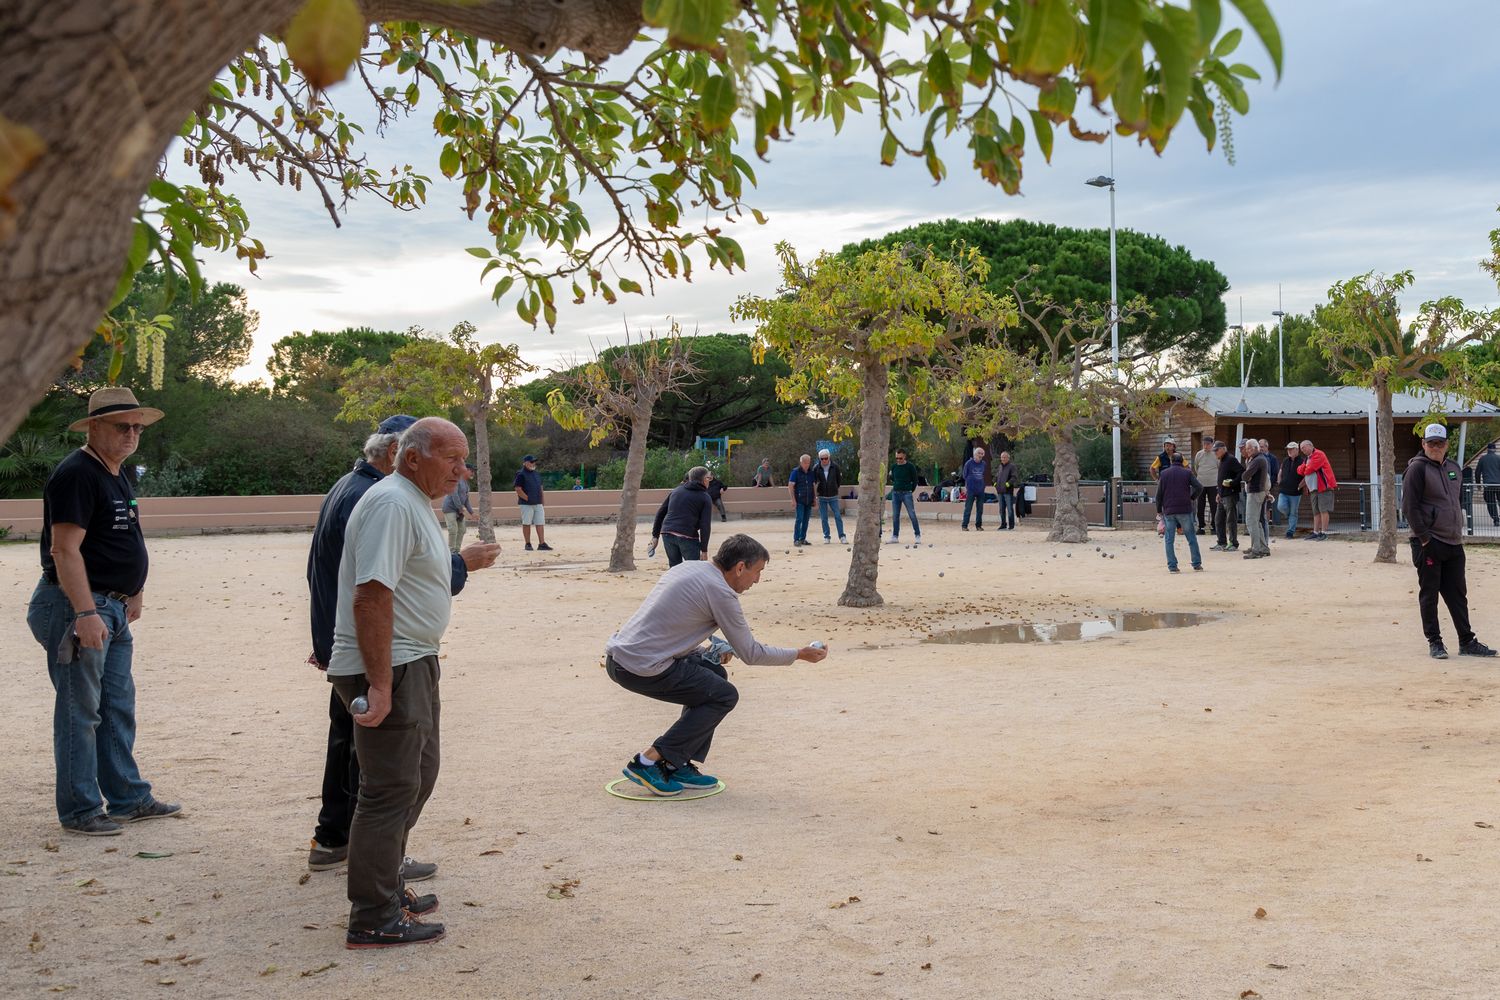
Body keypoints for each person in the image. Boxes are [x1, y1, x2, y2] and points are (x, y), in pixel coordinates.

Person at [304, 415, 499, 875]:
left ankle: (363, 858)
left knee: (398, 774)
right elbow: (371, 591)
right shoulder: (387, 501)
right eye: (452, 459)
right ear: (406, 455)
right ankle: (374, 904)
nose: (462, 471)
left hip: (394, 656)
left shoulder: (378, 493)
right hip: (387, 658)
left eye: (464, 460)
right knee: (387, 785)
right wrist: (378, 678)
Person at [26, 387, 181, 837]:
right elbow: (64, 549)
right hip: (79, 607)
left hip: (110, 605)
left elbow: (122, 538)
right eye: (122, 426)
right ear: (94, 427)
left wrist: (134, 590)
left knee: (116, 707)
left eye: (137, 426)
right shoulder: (76, 474)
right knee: (80, 711)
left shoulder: (115, 471)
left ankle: (128, 798)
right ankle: (79, 810)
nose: (132, 434)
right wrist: (85, 612)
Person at [603, 534, 830, 795]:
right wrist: (798, 654)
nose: (757, 580)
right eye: (757, 572)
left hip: (622, 657)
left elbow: (665, 625)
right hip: (639, 668)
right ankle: (647, 762)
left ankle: (676, 762)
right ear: (740, 567)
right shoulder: (722, 593)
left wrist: (704, 651)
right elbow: (752, 653)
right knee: (724, 696)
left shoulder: (690, 568)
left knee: (714, 673)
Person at [1401, 424, 1495, 660]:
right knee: (1430, 594)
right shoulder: (1416, 469)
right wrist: (1424, 538)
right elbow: (1409, 508)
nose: (1435, 447)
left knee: (1457, 594)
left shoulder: (1454, 467)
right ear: (1423, 444)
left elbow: (1455, 500)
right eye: (1431, 443)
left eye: (1439, 443)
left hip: (1454, 541)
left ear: (1446, 445)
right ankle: (1435, 642)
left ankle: (1467, 641)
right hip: (1428, 542)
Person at [650, 466, 714, 566]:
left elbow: (660, 513)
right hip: (687, 536)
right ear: (704, 479)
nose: (709, 481)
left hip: (667, 534)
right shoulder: (705, 497)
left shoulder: (676, 491)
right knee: (694, 569)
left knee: (675, 568)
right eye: (708, 478)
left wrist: (655, 536)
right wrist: (704, 550)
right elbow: (705, 525)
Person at [1155, 454, 1203, 573]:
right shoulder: (1187, 473)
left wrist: (1159, 510)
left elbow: (1159, 494)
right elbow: (1199, 487)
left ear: (1171, 461)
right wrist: (1192, 498)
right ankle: (1196, 564)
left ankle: (1173, 566)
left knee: (1169, 539)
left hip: (1169, 510)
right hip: (1185, 509)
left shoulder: (1164, 474)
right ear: (1182, 461)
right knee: (1191, 537)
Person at [1296, 439, 1338, 540]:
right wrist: (1306, 467)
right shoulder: (1307, 458)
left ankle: (1323, 532)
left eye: (1303, 448)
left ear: (1310, 446)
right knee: (1316, 511)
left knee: (1323, 510)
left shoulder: (1319, 454)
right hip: (1313, 489)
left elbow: (1309, 469)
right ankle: (1315, 532)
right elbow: (1299, 470)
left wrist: (1305, 467)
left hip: (1323, 488)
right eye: (1301, 449)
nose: (1302, 450)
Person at [1240, 440, 1271, 559]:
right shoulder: (1260, 458)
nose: (1247, 451)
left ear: (1254, 448)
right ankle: (1263, 548)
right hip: (1259, 492)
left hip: (1255, 492)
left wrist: (1247, 476)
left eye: (1248, 449)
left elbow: (1245, 476)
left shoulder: (1257, 460)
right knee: (1256, 522)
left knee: (1251, 521)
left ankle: (1256, 550)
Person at [1210, 440, 1243, 552]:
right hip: (1222, 495)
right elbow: (1221, 478)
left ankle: (1233, 543)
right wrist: (1219, 493)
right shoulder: (1222, 460)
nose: (1215, 453)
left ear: (1223, 448)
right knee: (1218, 519)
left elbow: (1241, 472)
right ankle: (1221, 542)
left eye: (1216, 450)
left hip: (1231, 494)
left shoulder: (1231, 459)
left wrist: (1233, 482)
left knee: (1231, 519)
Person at [514, 454, 551, 551]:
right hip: (526, 504)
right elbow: (518, 489)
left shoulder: (536, 474)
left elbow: (540, 487)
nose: (533, 463)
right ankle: (528, 543)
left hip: (538, 503)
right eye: (531, 462)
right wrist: (527, 498)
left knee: (540, 523)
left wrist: (542, 499)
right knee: (526, 523)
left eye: (534, 461)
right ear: (525, 463)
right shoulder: (520, 474)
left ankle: (542, 543)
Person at [887, 448, 922, 543]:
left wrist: (910, 489)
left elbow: (915, 480)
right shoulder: (894, 467)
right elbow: (892, 478)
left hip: (907, 493)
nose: (898, 460)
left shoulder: (910, 466)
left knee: (912, 514)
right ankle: (895, 536)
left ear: (904, 457)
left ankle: (917, 535)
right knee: (895, 515)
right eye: (897, 458)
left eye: (900, 458)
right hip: (896, 493)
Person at [814, 448, 847, 543]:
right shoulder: (816, 468)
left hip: (833, 496)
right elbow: (815, 482)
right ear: (819, 459)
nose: (824, 460)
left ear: (829, 457)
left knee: (837, 516)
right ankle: (827, 536)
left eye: (826, 458)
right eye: (822, 459)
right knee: (824, 517)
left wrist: (835, 488)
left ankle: (842, 536)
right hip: (822, 496)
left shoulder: (835, 467)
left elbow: (838, 480)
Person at [441, 463, 475, 553]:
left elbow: (466, 500)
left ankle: (456, 550)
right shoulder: (457, 481)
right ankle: (451, 551)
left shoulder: (466, 484)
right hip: (450, 508)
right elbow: (454, 494)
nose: (473, 473)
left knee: (462, 530)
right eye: (472, 471)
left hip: (459, 510)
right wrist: (460, 507)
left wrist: (472, 512)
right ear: (466, 470)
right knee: (453, 529)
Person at [1276, 441, 1304, 538]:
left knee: (1294, 512)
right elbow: (1280, 471)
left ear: (1297, 450)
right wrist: (1279, 480)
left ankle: (1290, 532)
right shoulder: (1285, 460)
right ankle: (1290, 517)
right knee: (1281, 506)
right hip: (1283, 490)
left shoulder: (1302, 461)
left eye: (1291, 449)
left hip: (1296, 492)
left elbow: (1306, 475)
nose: (1289, 450)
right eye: (1288, 449)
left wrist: (1300, 485)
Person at [787, 454, 816, 546]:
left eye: (808, 462)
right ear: (801, 462)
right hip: (799, 500)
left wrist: (815, 499)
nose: (807, 465)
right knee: (799, 519)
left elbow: (813, 486)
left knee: (806, 520)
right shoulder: (795, 472)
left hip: (809, 500)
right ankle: (796, 539)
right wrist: (793, 500)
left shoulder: (811, 472)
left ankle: (802, 538)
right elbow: (790, 486)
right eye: (805, 463)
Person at [1193, 437, 1219, 535]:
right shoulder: (1199, 454)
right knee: (1200, 506)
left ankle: (1214, 526)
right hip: (1201, 484)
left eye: (1208, 444)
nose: (1206, 446)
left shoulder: (1216, 454)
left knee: (1214, 506)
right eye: (1204, 444)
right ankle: (1201, 526)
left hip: (1213, 484)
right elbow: (1196, 467)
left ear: (1212, 444)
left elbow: (1219, 467)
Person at [960, 446, 988, 531]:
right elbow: (964, 475)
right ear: (975, 454)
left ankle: (978, 525)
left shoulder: (983, 464)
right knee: (968, 508)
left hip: (980, 489)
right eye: (979, 453)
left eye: (982, 453)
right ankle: (964, 525)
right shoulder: (969, 463)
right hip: (971, 489)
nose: (980, 455)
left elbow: (983, 474)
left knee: (980, 509)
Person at [994, 450, 1019, 530]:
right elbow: (996, 476)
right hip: (1000, 491)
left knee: (1009, 509)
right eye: (1002, 457)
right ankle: (1003, 524)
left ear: (1008, 458)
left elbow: (1014, 477)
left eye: (1005, 457)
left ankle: (1011, 526)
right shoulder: (1000, 466)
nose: (1003, 459)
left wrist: (1008, 484)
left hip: (1008, 491)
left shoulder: (1012, 466)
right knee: (1001, 509)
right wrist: (994, 482)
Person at [1477, 442, 1500, 527]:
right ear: (1495, 449)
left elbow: (1477, 472)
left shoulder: (1482, 459)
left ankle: (1496, 520)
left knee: (1491, 502)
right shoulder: (1499, 458)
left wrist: (1478, 484)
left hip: (1488, 485)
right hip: (1499, 485)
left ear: (1487, 449)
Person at [1258, 438, 1280, 528]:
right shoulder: (1257, 457)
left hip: (1269, 486)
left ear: (1267, 447)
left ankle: (1265, 526)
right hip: (1258, 487)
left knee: (1267, 506)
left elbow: (1275, 472)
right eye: (1259, 446)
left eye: (1262, 446)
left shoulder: (1273, 458)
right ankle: (1259, 525)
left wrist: (1270, 483)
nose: (1260, 448)